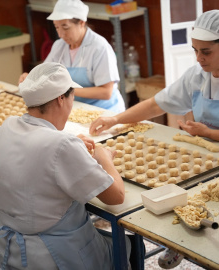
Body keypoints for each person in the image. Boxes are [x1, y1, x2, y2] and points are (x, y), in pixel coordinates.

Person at [90, 9, 219, 269]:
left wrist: (207, 133)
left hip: (209, 145)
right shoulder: (197, 76)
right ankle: (178, 243)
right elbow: (156, 104)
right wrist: (117, 119)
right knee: (181, 199)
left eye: (206, 52)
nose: (198, 58)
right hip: (205, 154)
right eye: (195, 50)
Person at [0, 62, 133, 270]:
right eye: (72, 96)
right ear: (60, 99)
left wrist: (71, 145)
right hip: (57, 257)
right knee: (127, 244)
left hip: (11, 253)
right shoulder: (62, 145)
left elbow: (38, 151)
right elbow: (116, 196)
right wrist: (105, 159)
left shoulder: (8, 126)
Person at [19, 0, 125, 113]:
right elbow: (46, 73)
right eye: (57, 27)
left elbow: (106, 92)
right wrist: (31, 77)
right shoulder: (59, 46)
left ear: (81, 23)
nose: (60, 34)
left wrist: (65, 89)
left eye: (65, 27)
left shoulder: (99, 47)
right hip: (76, 108)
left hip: (105, 111)